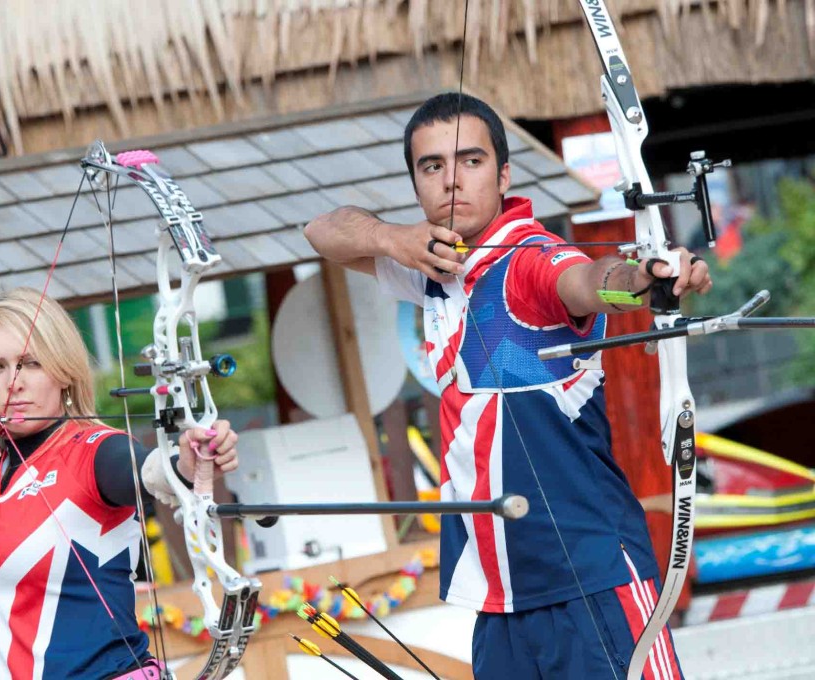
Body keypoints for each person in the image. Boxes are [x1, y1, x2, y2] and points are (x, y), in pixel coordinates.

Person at [304, 93, 712, 679]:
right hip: (497, 598)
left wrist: (647, 281)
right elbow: (322, 230)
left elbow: (590, 280)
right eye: (431, 166)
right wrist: (394, 239)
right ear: (415, 182)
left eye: (470, 161)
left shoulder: (531, 261)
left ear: (504, 174)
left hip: (588, 576)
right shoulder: (435, 272)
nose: (451, 181)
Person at [0, 287, 240, 680]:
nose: (12, 382)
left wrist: (186, 463)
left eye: (30, 363)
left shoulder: (96, 452)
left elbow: (150, 472)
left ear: (63, 370)